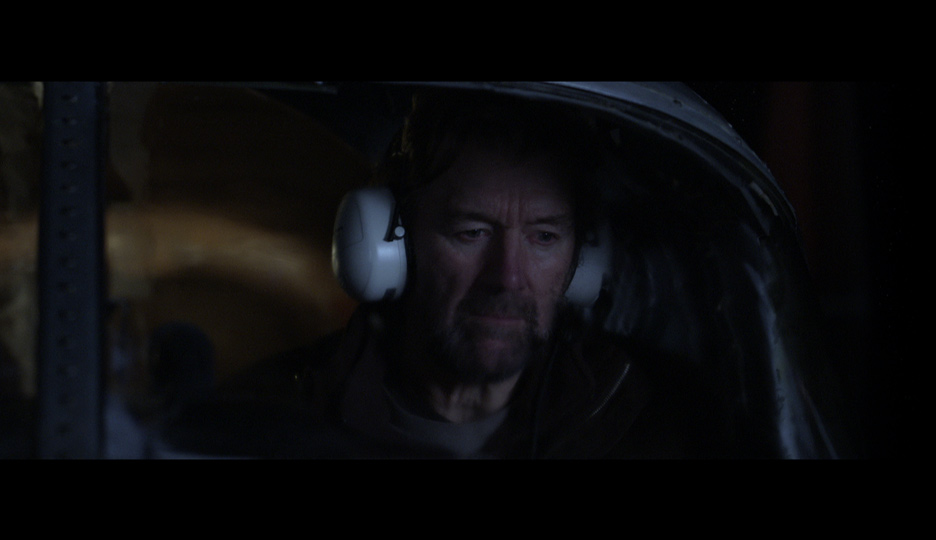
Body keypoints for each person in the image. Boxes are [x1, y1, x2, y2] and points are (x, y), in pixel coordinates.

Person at [284, 89, 711, 459]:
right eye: (472, 232)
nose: (508, 278)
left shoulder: (656, 425)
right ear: (394, 245)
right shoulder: (282, 412)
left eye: (544, 237)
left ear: (583, 260)